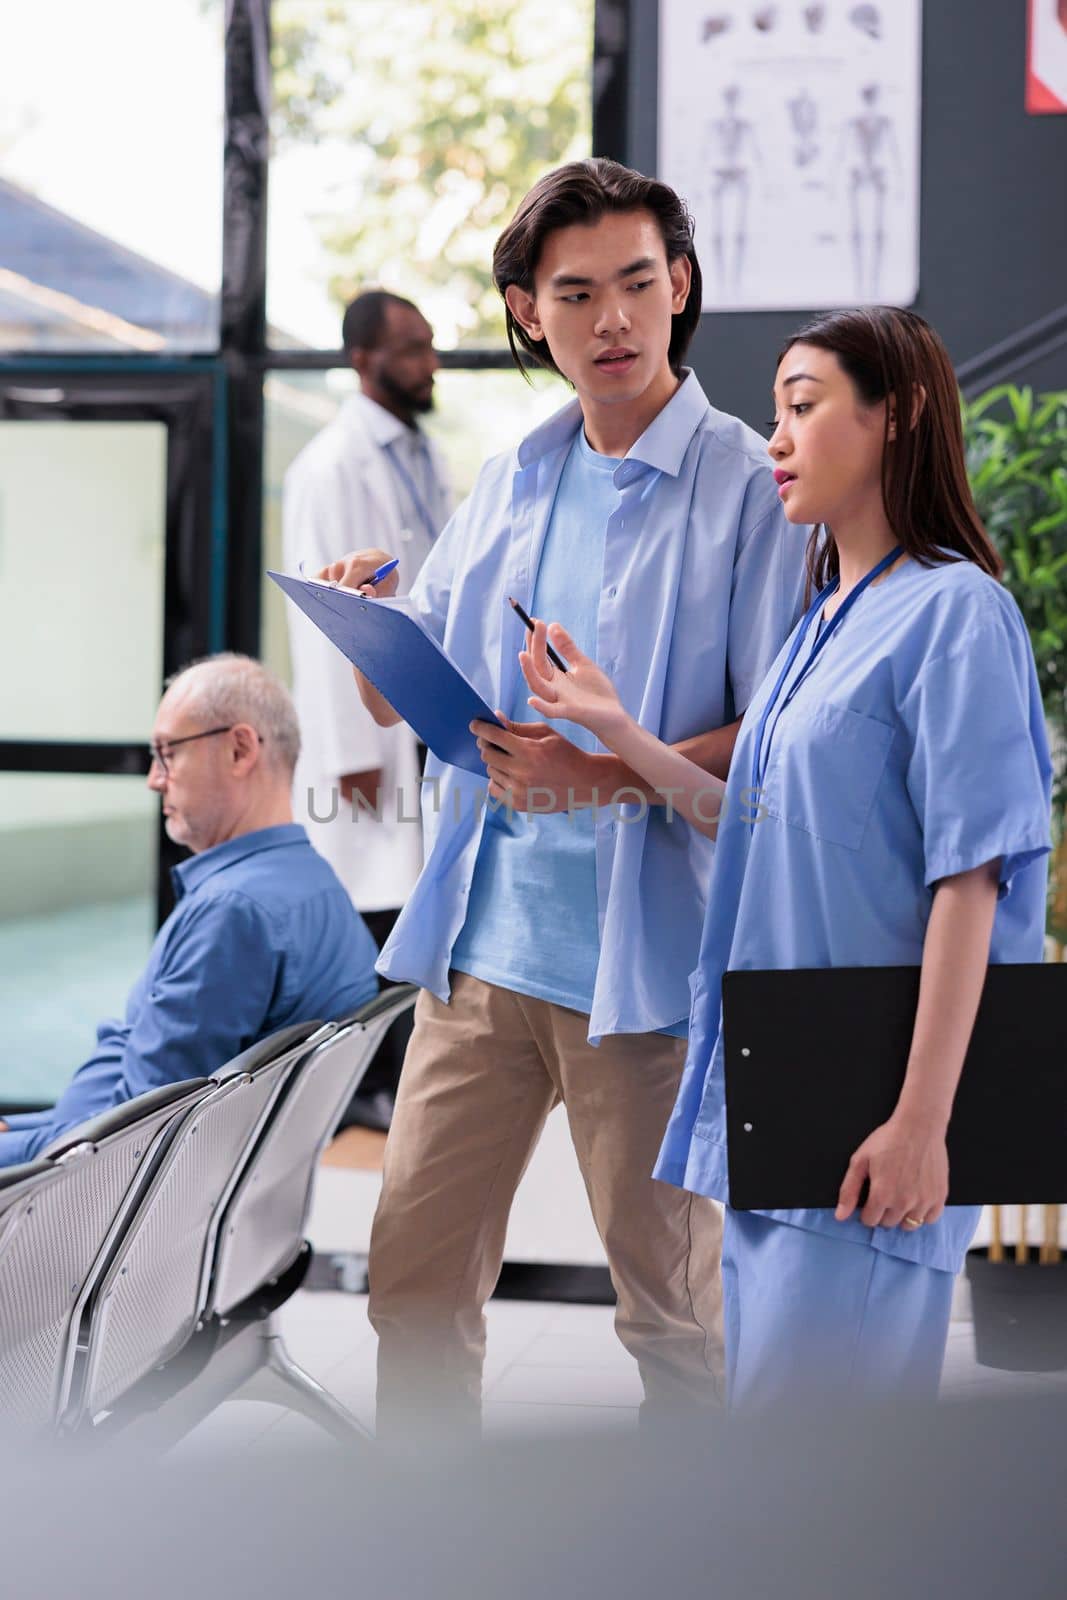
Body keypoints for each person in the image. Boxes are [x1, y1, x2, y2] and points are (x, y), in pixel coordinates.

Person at [319, 158, 808, 1436]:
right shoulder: (511, 478)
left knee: (676, 1323)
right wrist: (366, 630)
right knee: (411, 1292)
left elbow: (778, 735)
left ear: (679, 286)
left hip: (641, 975)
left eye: (638, 285)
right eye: (575, 292)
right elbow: (416, 698)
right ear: (527, 312)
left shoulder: (753, 487)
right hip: (480, 954)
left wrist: (599, 768)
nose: (612, 321)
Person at [517, 305, 1053, 1408]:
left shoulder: (957, 613)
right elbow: (748, 821)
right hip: (781, 1098)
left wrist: (918, 1124)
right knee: (786, 1469)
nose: (775, 438)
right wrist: (617, 730)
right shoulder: (818, 625)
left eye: (802, 407)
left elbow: (972, 876)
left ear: (893, 414)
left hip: (870, 1118)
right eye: (773, 413)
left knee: (830, 1489)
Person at [0, 655, 380, 1167]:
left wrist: (17, 1147)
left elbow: (126, 1139)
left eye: (168, 753)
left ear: (240, 749)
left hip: (79, 1206)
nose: (154, 780)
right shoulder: (314, 886)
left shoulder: (233, 914)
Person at [283, 290, 453, 1130]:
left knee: (407, 898)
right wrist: (350, 745)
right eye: (411, 349)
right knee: (369, 908)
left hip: (418, 719)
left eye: (429, 347)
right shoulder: (331, 466)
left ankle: (390, 1081)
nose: (429, 364)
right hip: (365, 735)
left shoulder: (418, 454)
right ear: (362, 360)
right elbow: (325, 617)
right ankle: (359, 1091)